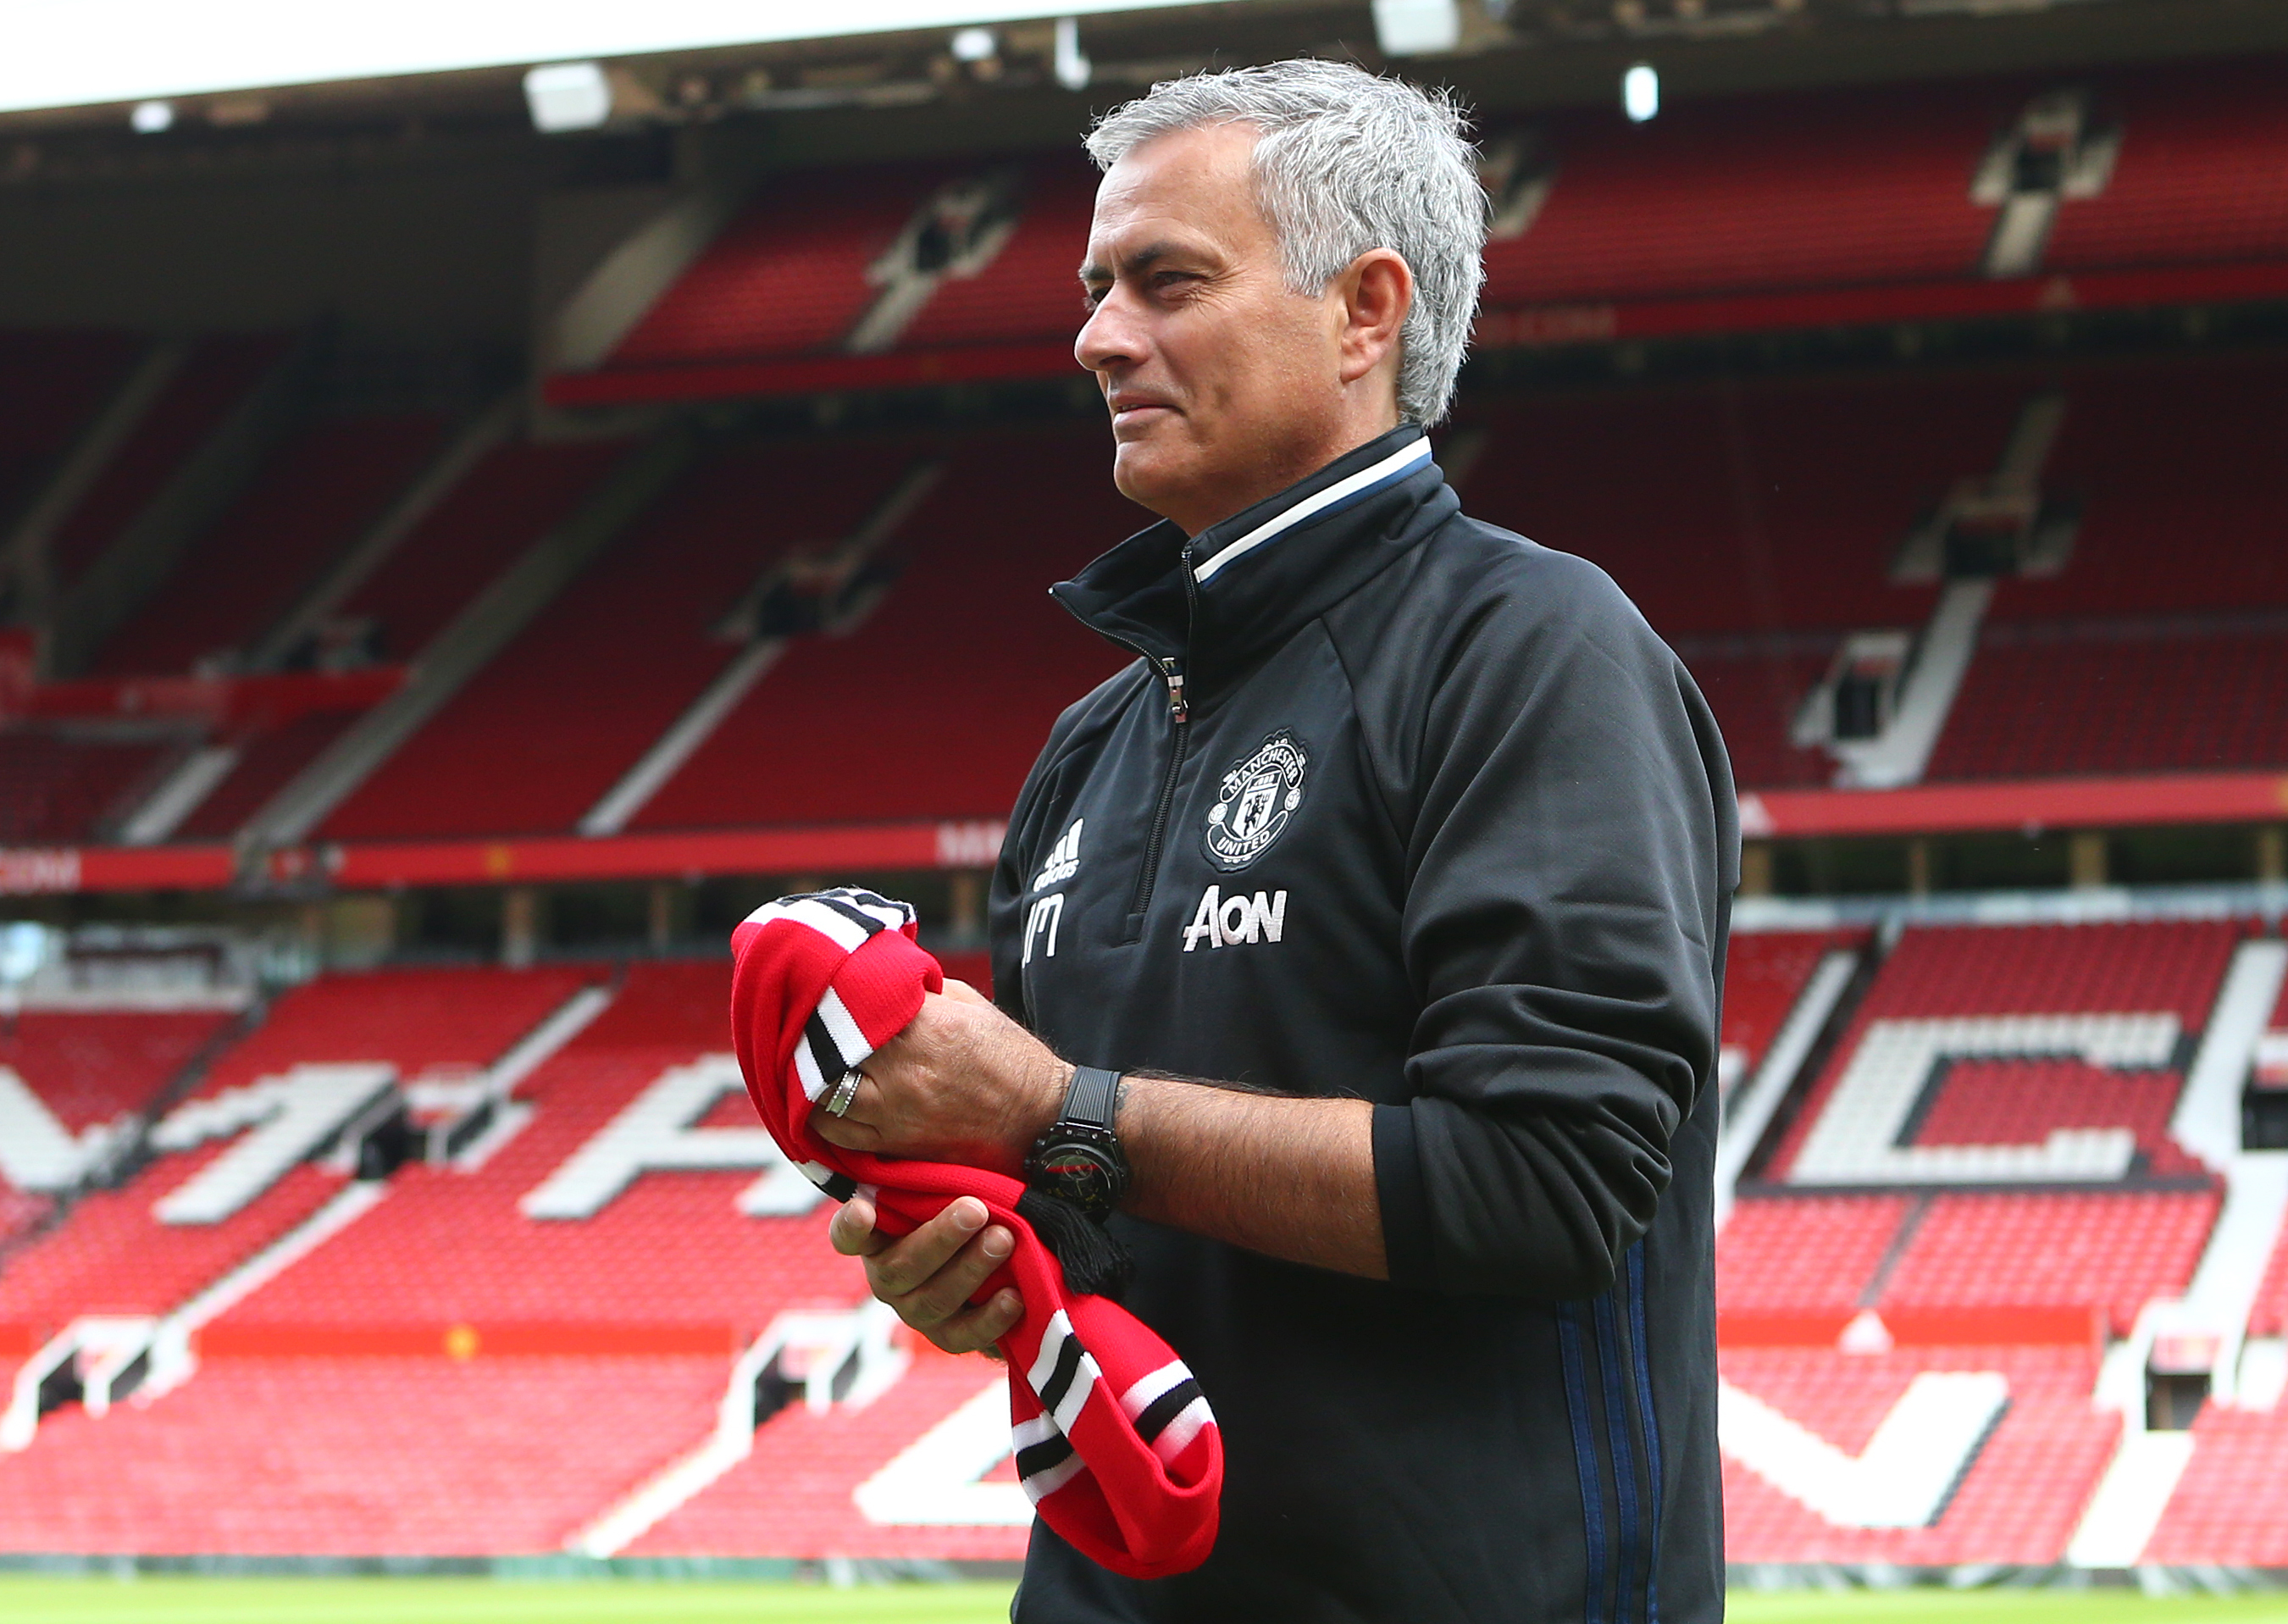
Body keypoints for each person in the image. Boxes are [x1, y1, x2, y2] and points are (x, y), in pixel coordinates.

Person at [813, 58, 1738, 1623]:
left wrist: (1055, 1111)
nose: (1100, 335)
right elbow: (1081, 1197)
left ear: (1364, 312)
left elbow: (1550, 1181)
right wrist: (976, 1255)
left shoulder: (1532, 648)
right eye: (1098, 286)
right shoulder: (1087, 744)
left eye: (1167, 281)